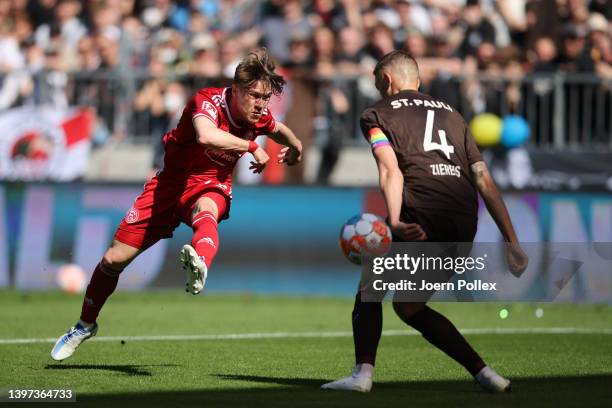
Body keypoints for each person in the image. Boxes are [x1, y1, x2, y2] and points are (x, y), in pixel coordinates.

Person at [50, 48, 303, 361]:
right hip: (169, 186)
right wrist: (251, 146)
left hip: (210, 183)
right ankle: (85, 325)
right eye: (255, 96)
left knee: (206, 210)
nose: (261, 104)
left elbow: (277, 129)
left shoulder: (258, 114)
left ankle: (201, 264)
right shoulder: (207, 101)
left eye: (266, 98)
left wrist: (296, 144)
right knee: (114, 260)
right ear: (235, 90)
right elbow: (207, 136)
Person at [321, 51, 528, 393]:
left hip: (422, 210)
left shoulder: (377, 114)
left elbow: (390, 169)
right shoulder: (455, 116)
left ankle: (362, 376)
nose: (378, 91)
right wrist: (512, 242)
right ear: (417, 81)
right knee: (409, 305)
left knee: (370, 288)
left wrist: (397, 219)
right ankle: (486, 374)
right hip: (462, 220)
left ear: (387, 80)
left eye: (377, 84)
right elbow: (483, 178)